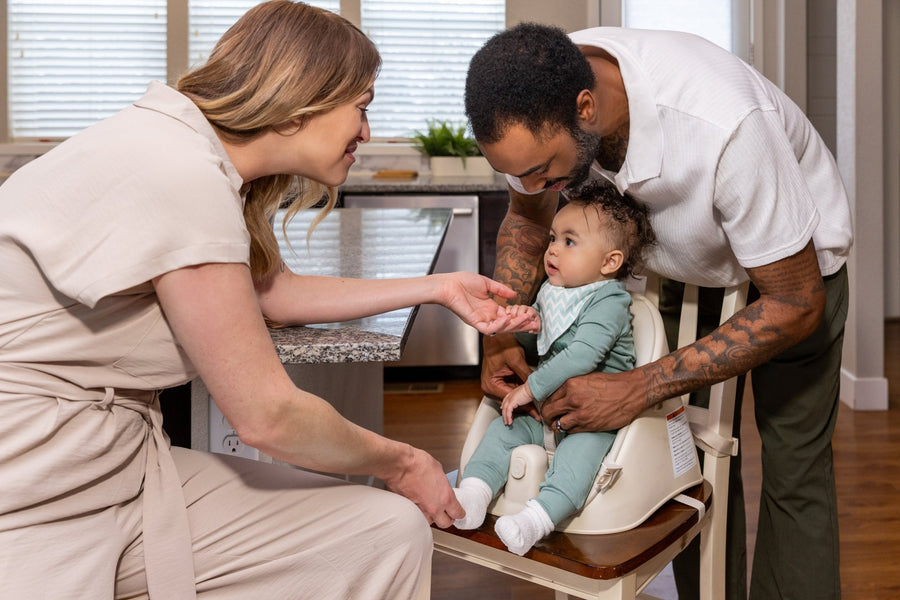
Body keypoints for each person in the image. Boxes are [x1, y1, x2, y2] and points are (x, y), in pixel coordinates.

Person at [0, 3, 538, 598]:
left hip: (106, 459)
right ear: (302, 101)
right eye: (360, 107)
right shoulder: (178, 172)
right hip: (33, 478)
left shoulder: (186, 153)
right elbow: (268, 417)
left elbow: (273, 293)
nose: (367, 132)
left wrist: (437, 287)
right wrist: (405, 462)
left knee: (382, 531)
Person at [465, 22, 852, 600]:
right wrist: (499, 336)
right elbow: (527, 217)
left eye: (542, 168)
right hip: (682, 264)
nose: (532, 184)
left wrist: (639, 385)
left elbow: (795, 302)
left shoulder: (727, 127)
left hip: (793, 280)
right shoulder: (531, 99)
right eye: (518, 171)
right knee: (684, 461)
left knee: (794, 472)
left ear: (586, 109)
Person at [452, 181, 656, 556]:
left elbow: (581, 356)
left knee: (576, 465)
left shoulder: (608, 301)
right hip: (547, 411)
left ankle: (536, 519)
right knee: (502, 431)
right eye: (552, 238)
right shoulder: (552, 291)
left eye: (569, 241)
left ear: (609, 262)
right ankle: (474, 493)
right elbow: (543, 348)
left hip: (593, 419)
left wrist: (527, 390)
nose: (553, 250)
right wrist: (523, 328)